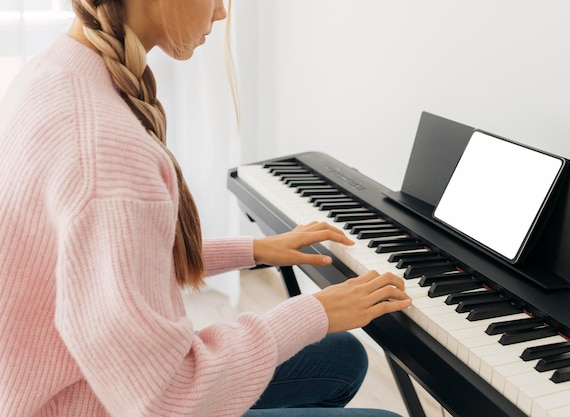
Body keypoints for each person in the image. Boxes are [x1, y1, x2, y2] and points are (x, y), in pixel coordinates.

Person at [0, 0, 413, 416]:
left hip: (73, 382)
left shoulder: (53, 71)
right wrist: (314, 310)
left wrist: (255, 250)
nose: (220, 13)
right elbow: (168, 399)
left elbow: (106, 261)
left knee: (342, 357)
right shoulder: (106, 147)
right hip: (94, 402)